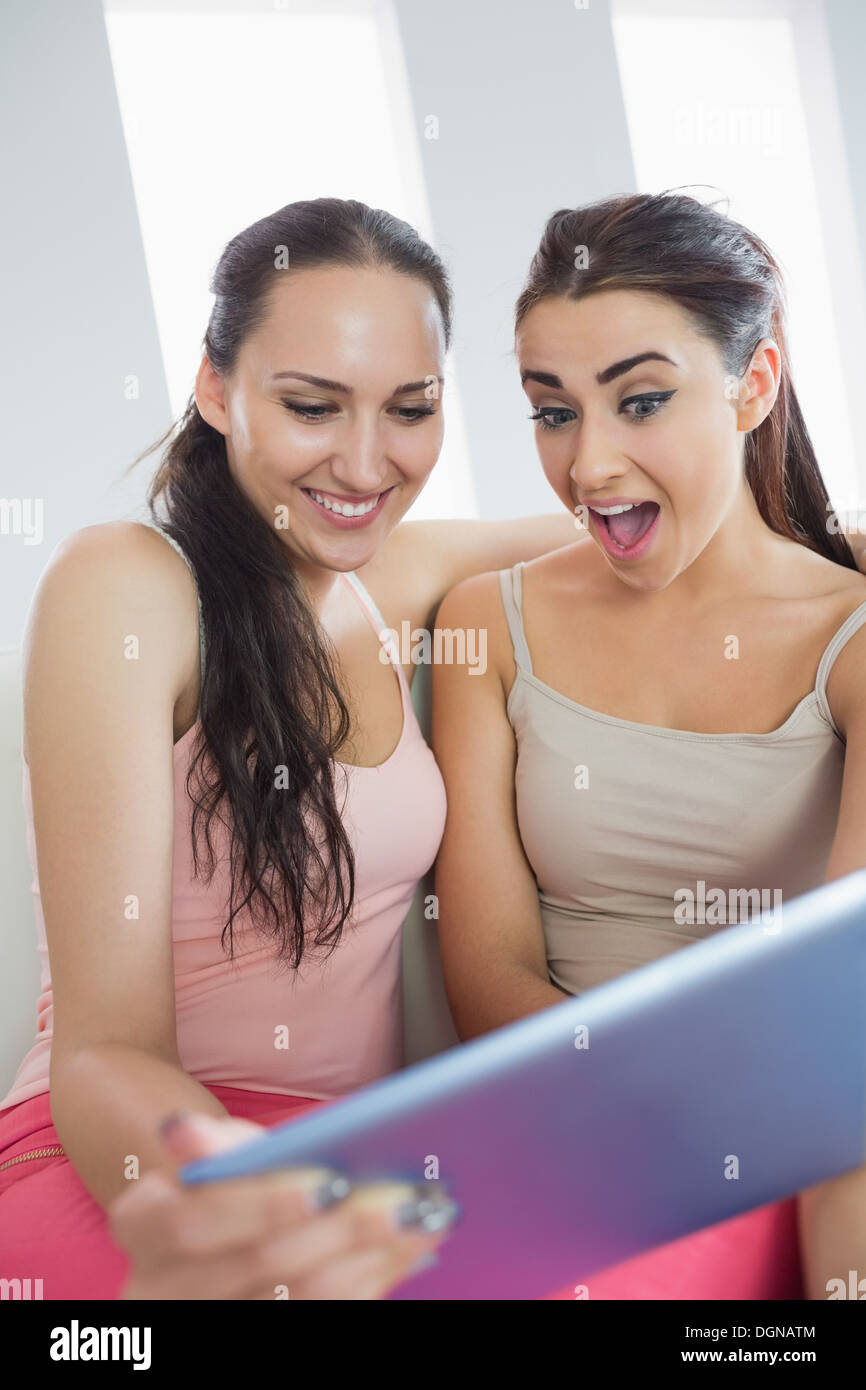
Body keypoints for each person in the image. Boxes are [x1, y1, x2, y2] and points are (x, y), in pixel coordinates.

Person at [0, 197, 576, 1300]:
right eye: (312, 406)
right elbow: (103, 1047)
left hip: (349, 1167)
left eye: (409, 409)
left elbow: (650, 517)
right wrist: (248, 1200)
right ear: (216, 387)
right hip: (131, 1155)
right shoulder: (125, 583)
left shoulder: (394, 578)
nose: (365, 464)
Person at [432, 190, 866, 1301]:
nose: (587, 467)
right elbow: (488, 978)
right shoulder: (485, 622)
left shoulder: (849, 640)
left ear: (751, 386)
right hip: (563, 1112)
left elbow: (844, 994)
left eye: (640, 401)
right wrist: (628, 1116)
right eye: (551, 411)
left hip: (806, 1116)